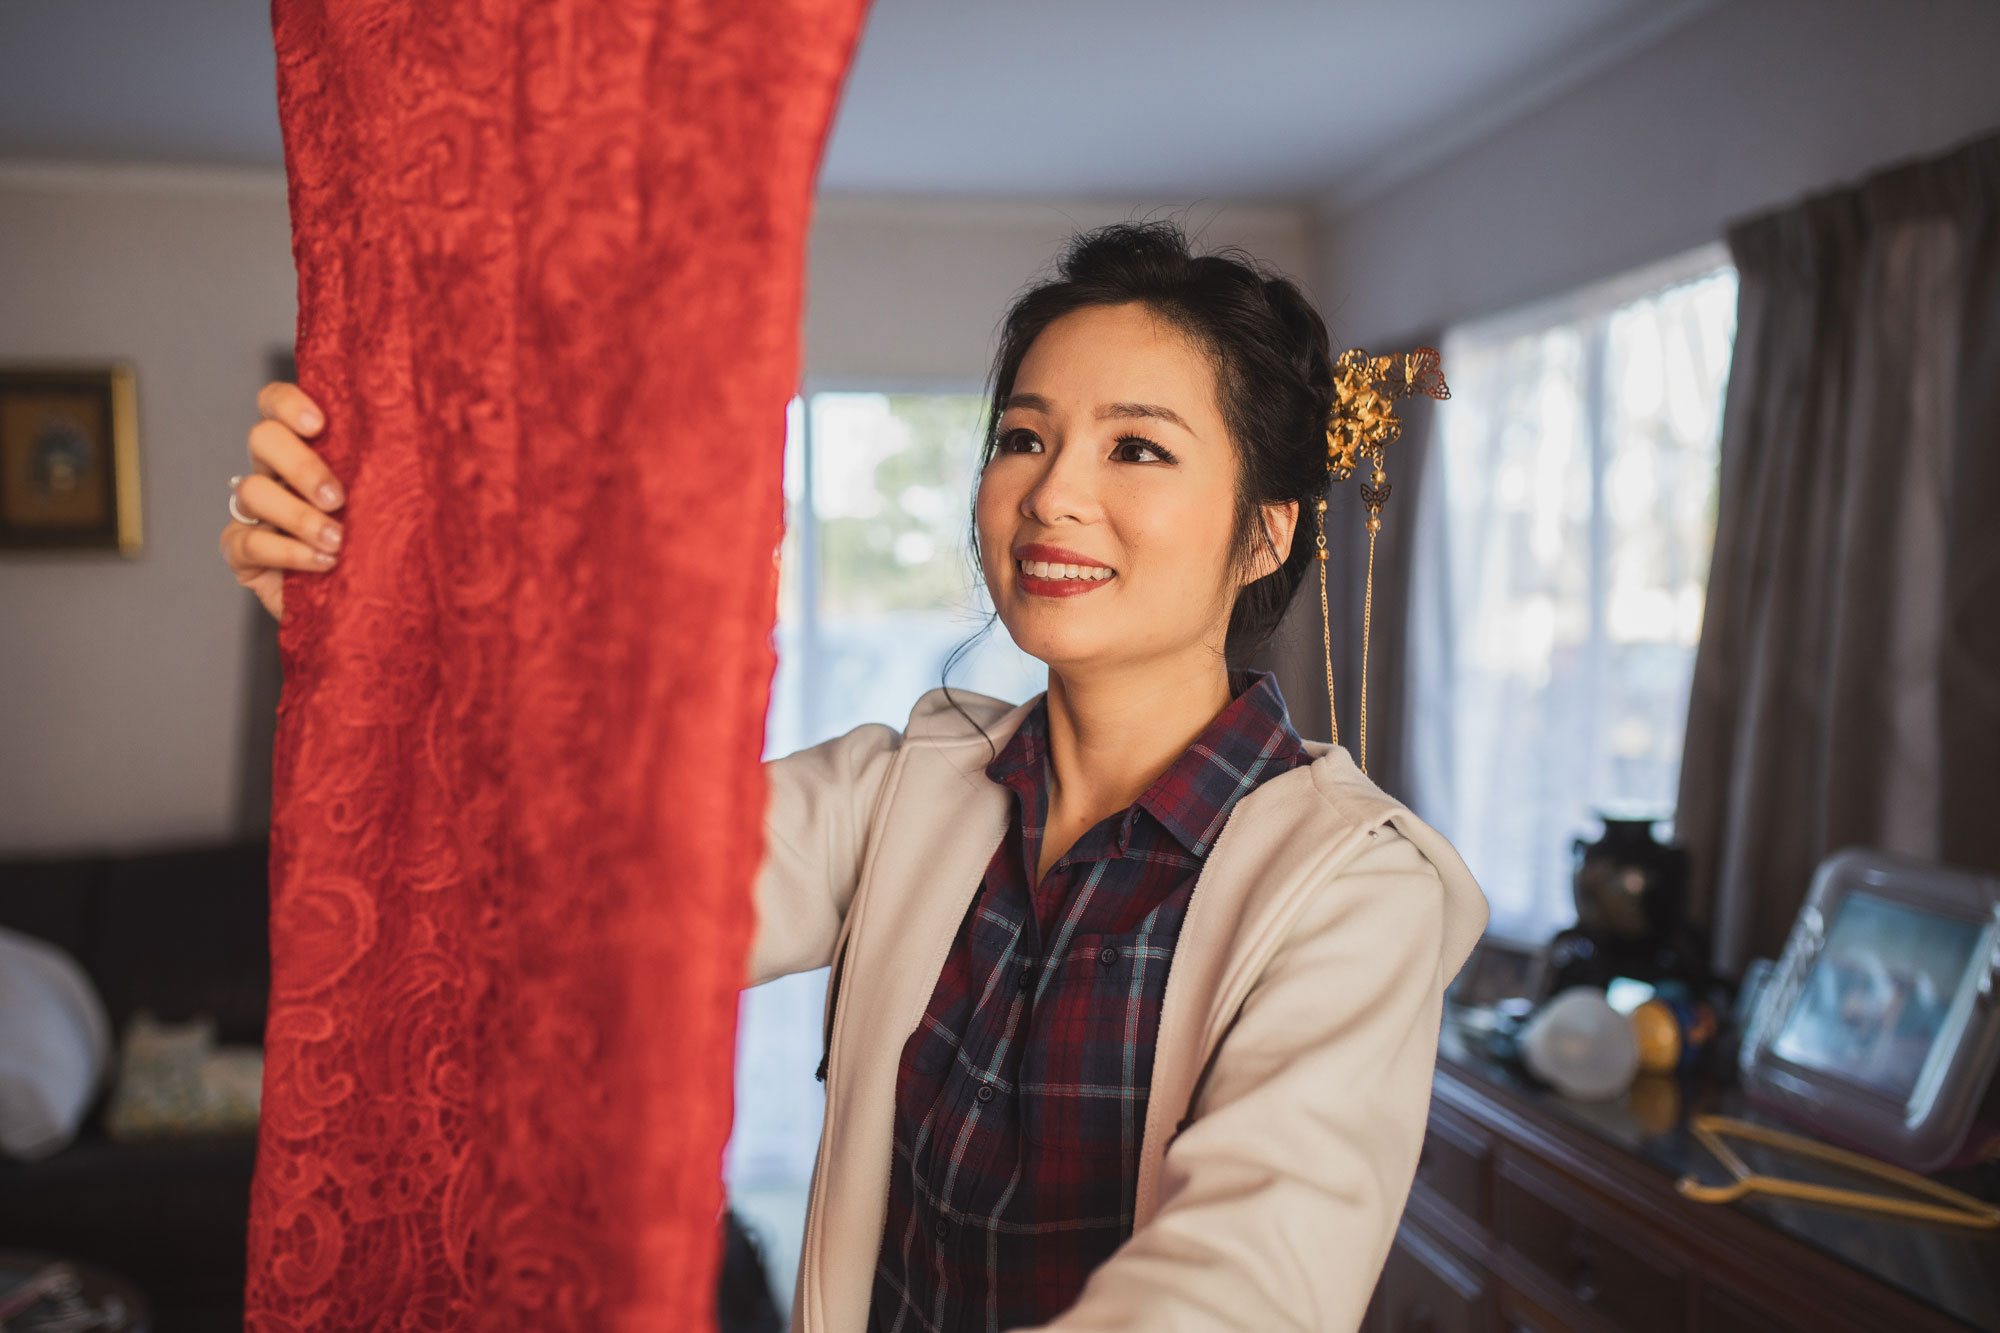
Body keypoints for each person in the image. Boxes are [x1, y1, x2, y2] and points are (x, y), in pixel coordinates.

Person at [220, 220, 1489, 1333]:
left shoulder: (1348, 894)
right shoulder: (907, 791)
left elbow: (1241, 1287)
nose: (1051, 496)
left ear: (1264, 527)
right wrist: (377, 625)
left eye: (1136, 449)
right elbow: (566, 881)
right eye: (1023, 437)